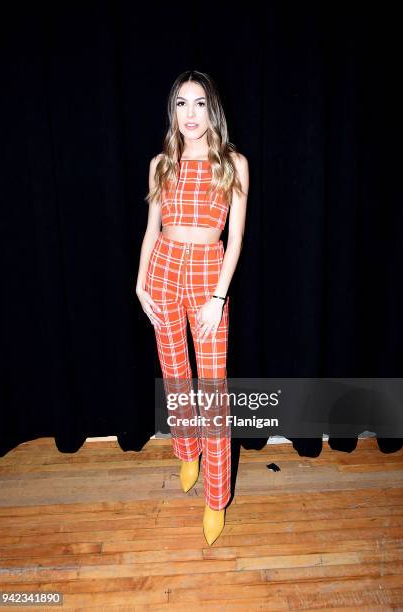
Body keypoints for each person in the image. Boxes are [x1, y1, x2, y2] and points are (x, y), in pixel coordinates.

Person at [136, 70, 249, 545]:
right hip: (162, 268)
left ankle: (216, 496)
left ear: (212, 109)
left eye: (199, 103)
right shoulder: (161, 162)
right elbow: (151, 228)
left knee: (214, 388)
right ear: (172, 111)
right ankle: (187, 450)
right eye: (181, 104)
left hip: (208, 272)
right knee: (175, 372)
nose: (189, 114)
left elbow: (237, 236)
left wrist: (220, 295)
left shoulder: (233, 163)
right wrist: (139, 283)